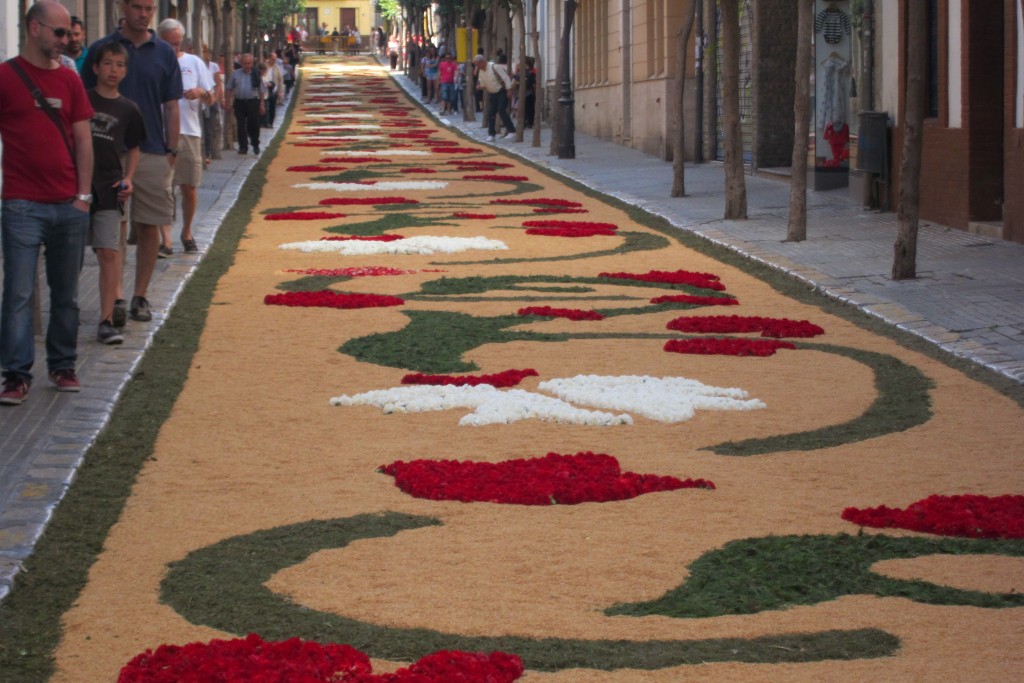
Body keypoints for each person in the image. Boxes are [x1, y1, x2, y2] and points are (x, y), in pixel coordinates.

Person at [0, 1, 94, 404]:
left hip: (68, 203)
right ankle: (16, 374)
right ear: (34, 28)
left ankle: (62, 365)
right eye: (59, 32)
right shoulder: (5, 77)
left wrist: (84, 196)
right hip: (21, 202)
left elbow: (84, 139)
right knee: (19, 293)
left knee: (67, 294)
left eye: (69, 32)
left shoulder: (71, 80)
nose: (66, 40)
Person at [83, 0, 182, 324]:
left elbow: (171, 105)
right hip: (110, 153)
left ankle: (140, 294)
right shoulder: (103, 49)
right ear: (123, 7)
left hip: (152, 149)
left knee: (149, 224)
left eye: (149, 8)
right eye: (137, 7)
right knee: (116, 228)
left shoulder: (165, 52)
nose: (143, 13)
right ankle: (116, 298)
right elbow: (84, 103)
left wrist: (172, 150)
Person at [86, 42, 144, 344]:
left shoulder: (129, 109)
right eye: (108, 63)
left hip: (109, 188)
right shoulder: (82, 100)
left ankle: (106, 319)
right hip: (78, 186)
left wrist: (129, 179)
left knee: (110, 253)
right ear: (96, 67)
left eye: (120, 65)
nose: (113, 70)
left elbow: (133, 149)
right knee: (72, 256)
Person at [158, 20, 214, 257]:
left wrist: (201, 93)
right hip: (159, 132)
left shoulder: (194, 63)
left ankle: (187, 232)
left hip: (189, 131)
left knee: (189, 185)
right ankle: (166, 238)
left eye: (176, 43)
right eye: (168, 43)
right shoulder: (155, 62)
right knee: (162, 187)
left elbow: (212, 97)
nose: (172, 48)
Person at [225, 53, 266, 155]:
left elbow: (261, 90)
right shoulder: (236, 74)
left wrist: (262, 104)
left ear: (252, 63)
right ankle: (243, 147)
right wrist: (228, 102)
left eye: (249, 63)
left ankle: (255, 143)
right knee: (241, 125)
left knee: (254, 124)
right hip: (239, 102)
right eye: (245, 63)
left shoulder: (256, 74)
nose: (248, 66)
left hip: (253, 102)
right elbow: (229, 88)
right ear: (241, 63)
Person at [475, 53, 515, 142]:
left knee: (501, 110)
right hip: (492, 93)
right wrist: (480, 86)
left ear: (482, 62)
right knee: (491, 113)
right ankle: (491, 134)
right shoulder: (481, 71)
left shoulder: (495, 67)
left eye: (478, 64)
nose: (477, 66)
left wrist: (509, 90)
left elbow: (506, 78)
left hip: (502, 92)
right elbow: (482, 82)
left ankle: (511, 130)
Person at [201, 44, 224, 166]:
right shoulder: (196, 64)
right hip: (198, 101)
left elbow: (218, 84)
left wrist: (215, 98)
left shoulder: (213, 66)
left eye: (206, 51)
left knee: (208, 128)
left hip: (210, 101)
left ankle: (207, 153)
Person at [262, 53, 284, 128]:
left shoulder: (277, 67)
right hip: (264, 89)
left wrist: (280, 91)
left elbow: (280, 79)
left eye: (275, 59)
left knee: (272, 107)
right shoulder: (264, 66)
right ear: (269, 58)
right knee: (266, 106)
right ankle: (265, 122)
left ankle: (271, 122)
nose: (274, 61)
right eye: (273, 59)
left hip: (273, 90)